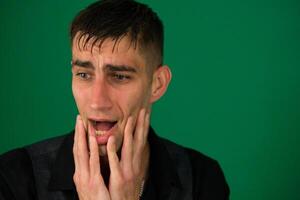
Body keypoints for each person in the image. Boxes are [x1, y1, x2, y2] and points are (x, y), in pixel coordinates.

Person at [0, 0, 230, 199]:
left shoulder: (201, 179)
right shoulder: (13, 178)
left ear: (157, 84)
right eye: (83, 74)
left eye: (119, 76)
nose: (97, 102)